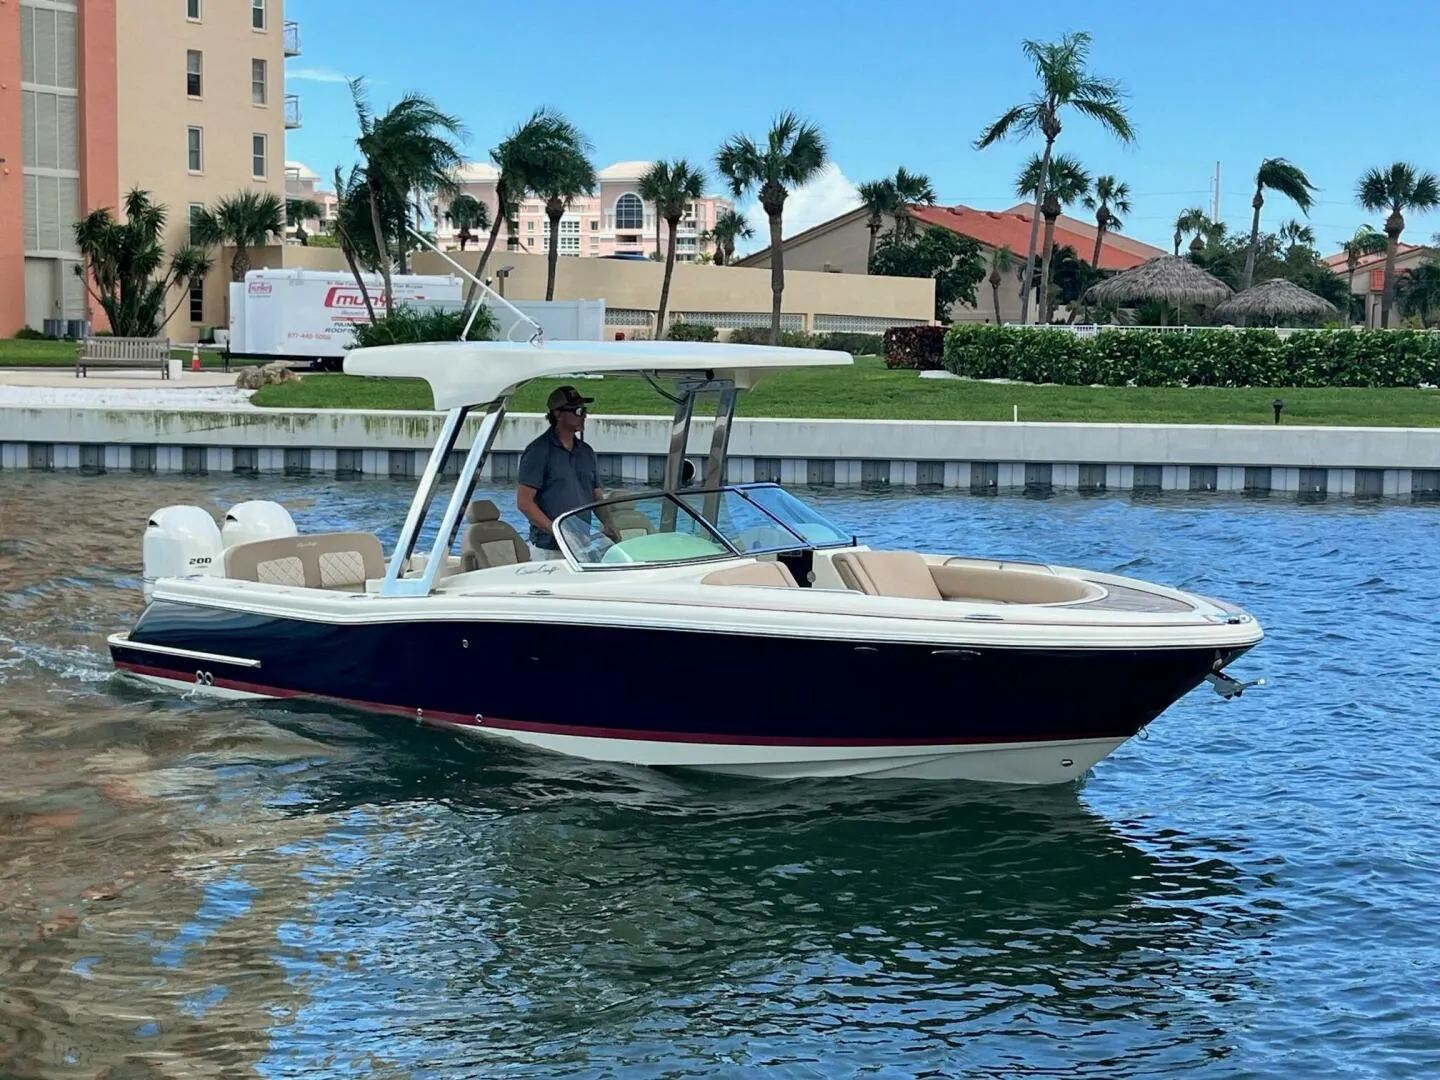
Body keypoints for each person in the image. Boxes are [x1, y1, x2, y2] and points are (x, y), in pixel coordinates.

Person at [516, 385, 617, 560]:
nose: (584, 416)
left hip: (582, 546)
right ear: (558, 414)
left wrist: (608, 523)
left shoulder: (586, 452)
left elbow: (596, 496)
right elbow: (524, 503)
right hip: (549, 549)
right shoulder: (537, 452)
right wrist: (559, 533)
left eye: (584, 410)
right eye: (578, 411)